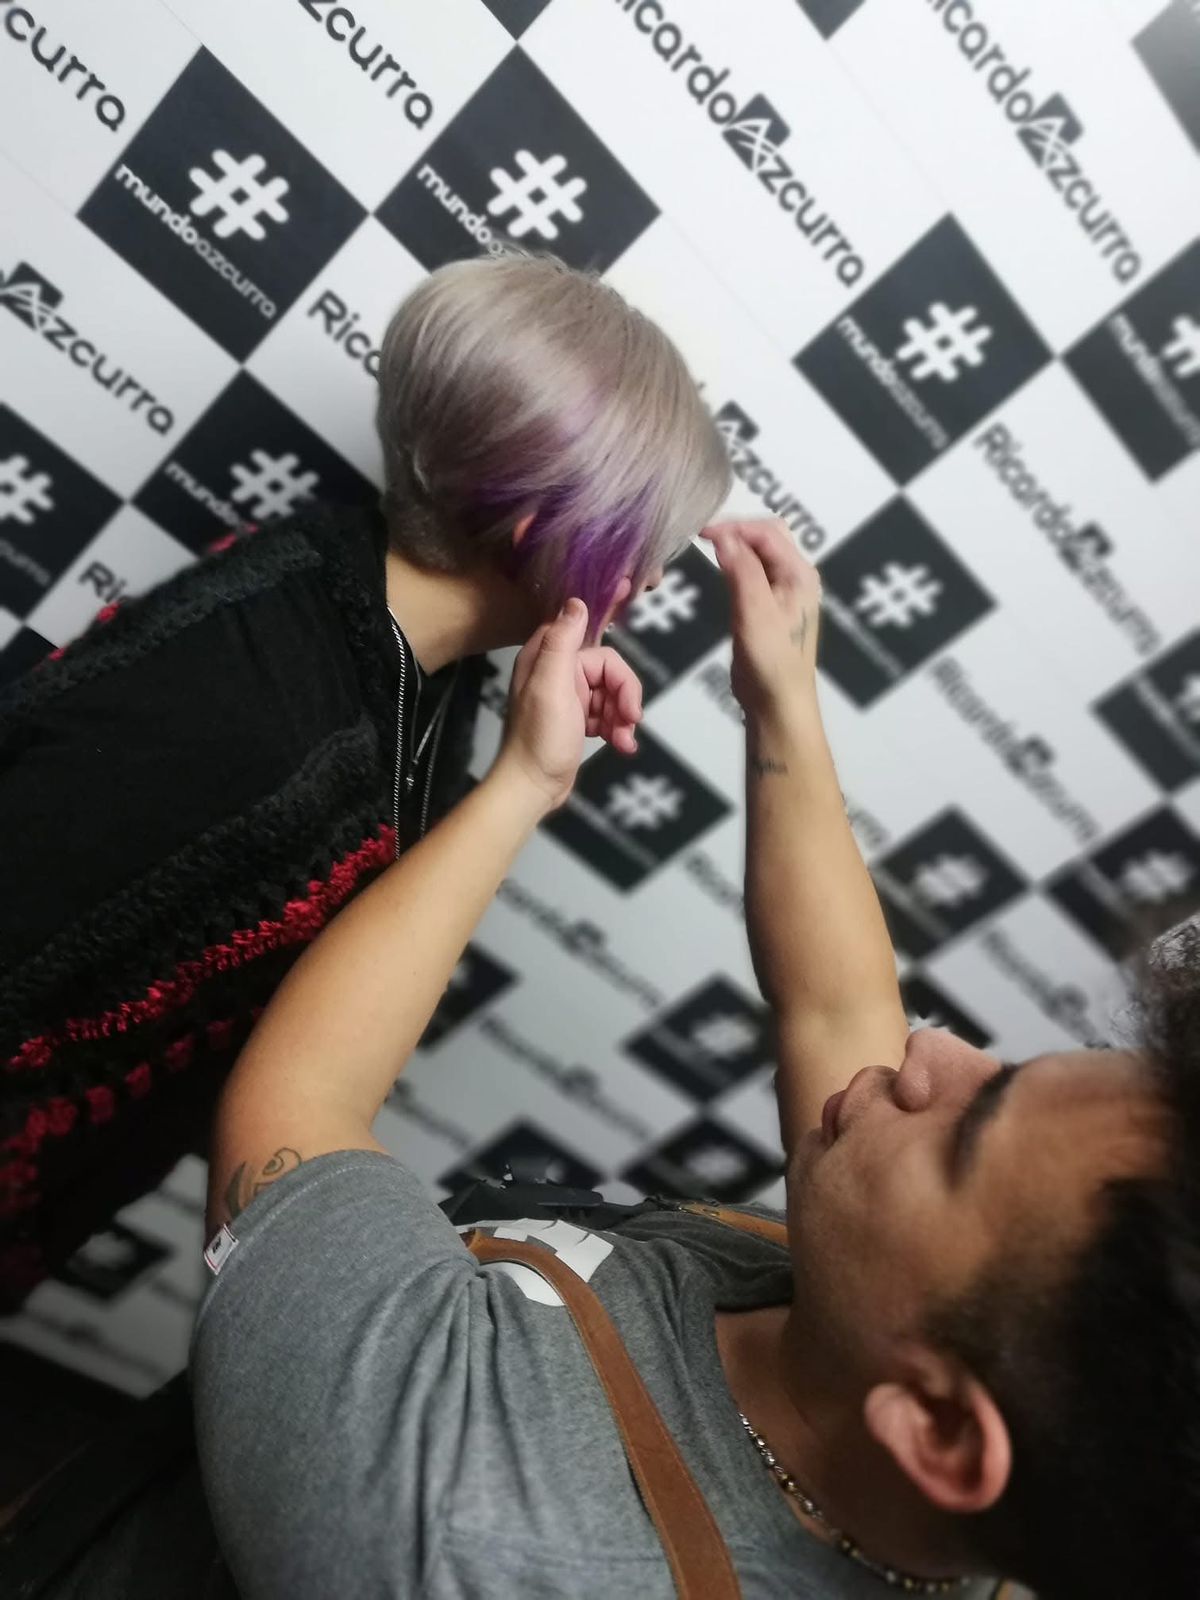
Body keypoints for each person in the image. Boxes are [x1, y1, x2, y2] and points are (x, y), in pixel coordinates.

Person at [190, 516, 1200, 1599]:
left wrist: (524, 781)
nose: (933, 1051)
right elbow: (837, 1010)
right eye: (1003, 1072)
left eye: (964, 1134)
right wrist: (780, 695)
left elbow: (301, 1098)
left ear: (945, 1429)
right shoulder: (951, 1389)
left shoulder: (460, 1515)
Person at [0, 249, 731, 1305]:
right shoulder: (253, 717)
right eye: (638, 542)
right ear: (540, 534)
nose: (654, 578)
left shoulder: (416, 661)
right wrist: (527, 777)